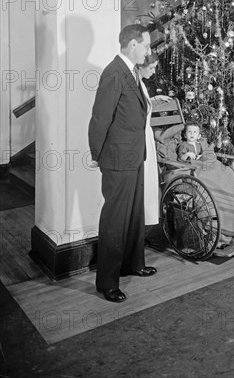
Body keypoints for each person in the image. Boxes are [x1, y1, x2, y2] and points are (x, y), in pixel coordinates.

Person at [88, 24, 156, 303]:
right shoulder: (114, 73)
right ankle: (107, 282)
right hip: (117, 159)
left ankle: (133, 263)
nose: (148, 51)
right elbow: (99, 118)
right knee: (115, 220)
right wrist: (96, 154)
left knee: (134, 215)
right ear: (132, 45)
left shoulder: (130, 72)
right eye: (146, 46)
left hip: (134, 155)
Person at [137, 53, 170, 227]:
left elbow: (141, 104)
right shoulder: (134, 82)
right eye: (151, 67)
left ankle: (148, 220)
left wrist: (154, 99)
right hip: (140, 137)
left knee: (150, 180)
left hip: (146, 135)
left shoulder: (140, 84)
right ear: (141, 66)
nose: (154, 71)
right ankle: (141, 220)